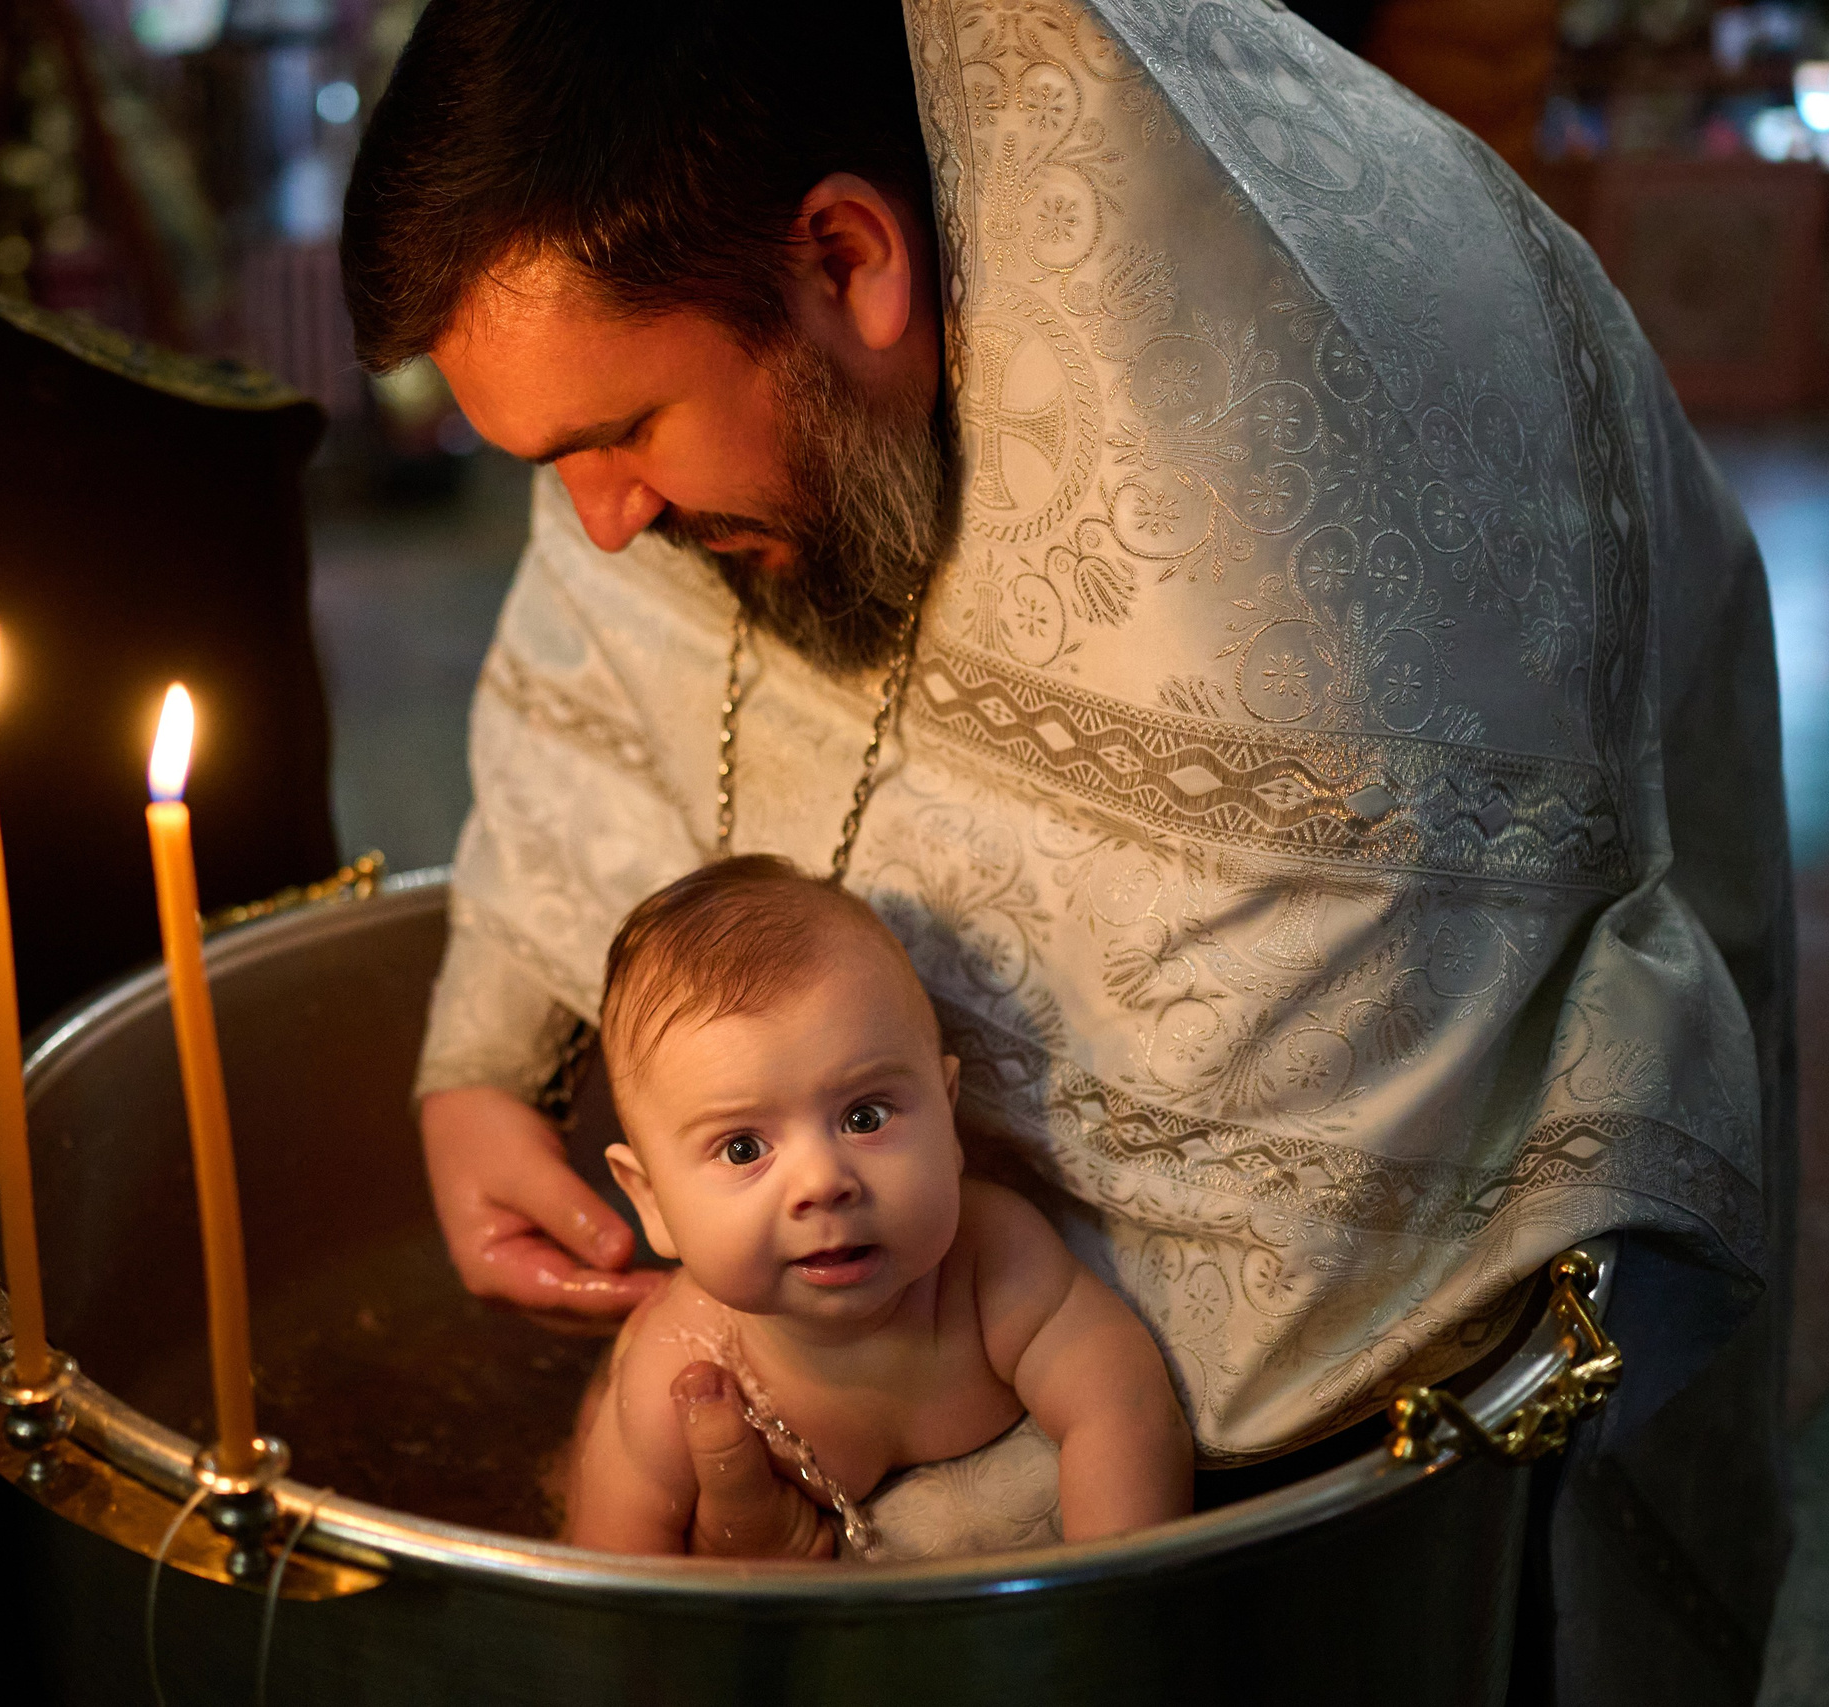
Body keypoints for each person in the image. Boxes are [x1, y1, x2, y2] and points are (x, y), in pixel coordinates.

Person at [343, 0, 1790, 1695]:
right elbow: (609, 661)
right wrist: (475, 1067)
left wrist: (870, 1572)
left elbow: (1280, 1275)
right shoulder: (696, 310)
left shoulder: (1264, 519)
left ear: (847, 256)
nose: (597, 522)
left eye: (623, 436)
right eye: (547, 461)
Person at [565, 856, 1191, 1556]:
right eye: (743, 1148)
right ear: (650, 1202)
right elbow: (606, 1588)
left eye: (864, 1117)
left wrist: (1104, 1618)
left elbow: (1124, 1409)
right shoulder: (680, 1373)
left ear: (949, 1122)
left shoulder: (994, 1263)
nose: (823, 1182)